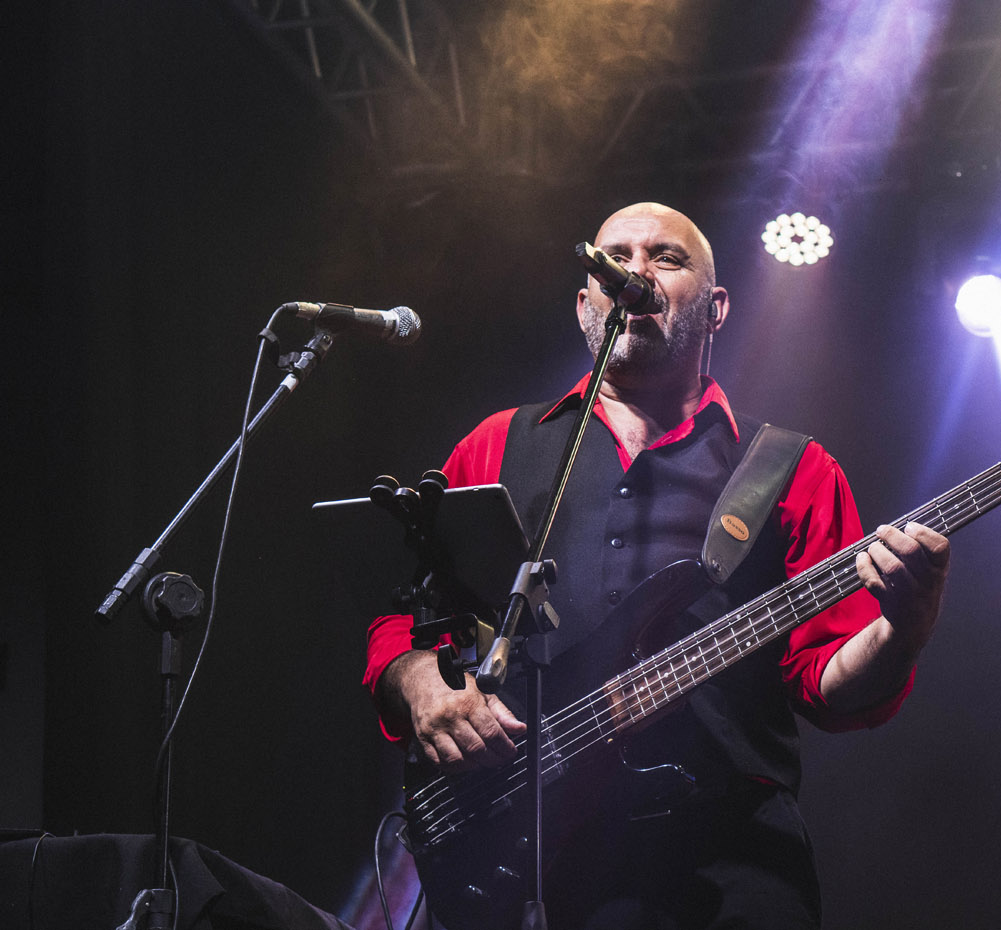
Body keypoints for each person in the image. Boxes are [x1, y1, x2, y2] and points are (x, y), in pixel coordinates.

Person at [363, 202, 950, 929]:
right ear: (586, 304)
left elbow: (828, 682)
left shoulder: (793, 467)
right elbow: (406, 614)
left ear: (716, 308)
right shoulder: (496, 445)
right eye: (614, 260)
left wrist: (903, 629)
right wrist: (419, 683)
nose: (634, 271)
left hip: (728, 858)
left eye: (665, 258)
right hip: (527, 850)